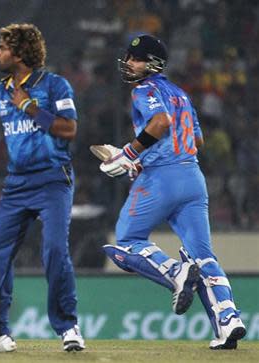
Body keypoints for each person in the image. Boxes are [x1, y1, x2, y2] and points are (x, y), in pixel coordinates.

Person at [99, 34, 246, 350]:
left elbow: (161, 122)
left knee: (126, 242)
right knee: (203, 254)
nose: (129, 62)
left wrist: (130, 154)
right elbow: (197, 140)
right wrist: (146, 156)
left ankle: (176, 273)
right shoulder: (180, 93)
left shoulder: (143, 89)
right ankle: (228, 319)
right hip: (192, 177)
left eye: (136, 58)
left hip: (160, 179)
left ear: (152, 63)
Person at [0, 23, 85, 352]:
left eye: (3, 47)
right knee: (0, 254)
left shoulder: (54, 85)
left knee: (53, 250)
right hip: (17, 185)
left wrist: (29, 107)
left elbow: (68, 130)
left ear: (20, 52)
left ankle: (68, 328)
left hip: (53, 179)